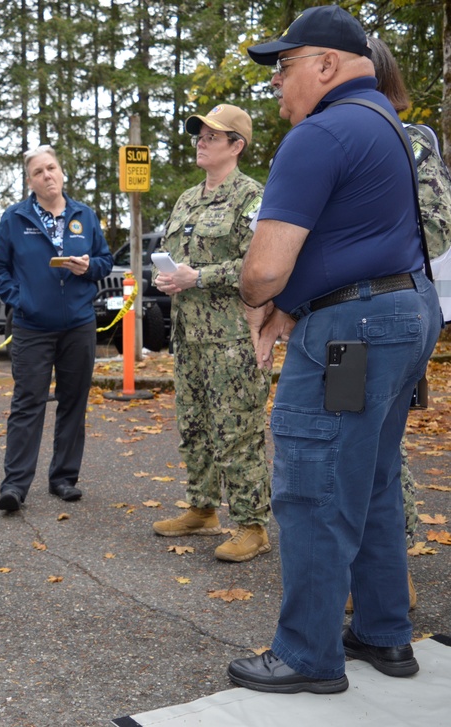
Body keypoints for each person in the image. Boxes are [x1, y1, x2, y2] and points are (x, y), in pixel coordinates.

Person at [227, 6, 441, 694]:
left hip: (350, 335)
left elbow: (263, 267)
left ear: (325, 65)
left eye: (283, 67)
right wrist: (291, 301)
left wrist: (259, 299)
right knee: (372, 477)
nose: (278, 84)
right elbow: (354, 243)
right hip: (402, 316)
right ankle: (384, 634)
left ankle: (307, 653)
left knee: (315, 484)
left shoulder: (320, 134)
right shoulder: (384, 126)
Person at [342, 36, 451, 614]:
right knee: (344, 438)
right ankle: (359, 570)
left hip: (387, 318)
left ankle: (389, 572)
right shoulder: (328, 140)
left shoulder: (410, 143)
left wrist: (354, 253)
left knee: (383, 449)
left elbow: (436, 224)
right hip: (335, 328)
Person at [150, 105, 272, 562]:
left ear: (236, 146)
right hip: (189, 337)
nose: (201, 140)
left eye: (212, 136)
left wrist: (197, 277)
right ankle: (202, 509)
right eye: (199, 134)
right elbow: (177, 259)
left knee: (237, 431)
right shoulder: (187, 199)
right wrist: (170, 278)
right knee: (195, 428)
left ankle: (252, 525)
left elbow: (257, 265)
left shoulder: (254, 199)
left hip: (232, 339)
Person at [0, 145, 113, 511]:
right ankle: (15, 485)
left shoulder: (83, 216)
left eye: (52, 168)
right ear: (30, 181)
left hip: (79, 325)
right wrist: (19, 298)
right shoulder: (15, 218)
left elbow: (106, 260)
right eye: (39, 172)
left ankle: (63, 478)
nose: (47, 175)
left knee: (73, 402)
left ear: (62, 173)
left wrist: (89, 267)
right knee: (28, 404)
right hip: (32, 326)